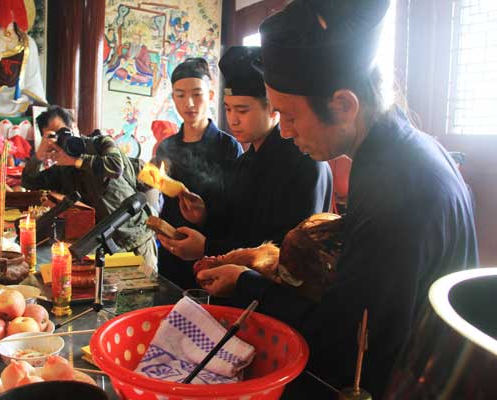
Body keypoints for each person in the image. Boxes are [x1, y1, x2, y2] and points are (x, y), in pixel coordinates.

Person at [196, 1, 478, 398]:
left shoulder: (395, 186)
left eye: (289, 116)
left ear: (343, 106)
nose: (286, 132)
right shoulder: (398, 151)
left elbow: (343, 337)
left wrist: (247, 284)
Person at [157, 46, 333, 264]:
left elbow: (291, 251)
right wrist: (203, 216)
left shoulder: (304, 162)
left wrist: (207, 248)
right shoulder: (243, 163)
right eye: (228, 109)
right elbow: (233, 228)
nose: (233, 120)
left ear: (272, 108)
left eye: (242, 110)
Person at [21, 106, 157, 271]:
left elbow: (115, 167)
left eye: (64, 131)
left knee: (146, 286)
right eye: (54, 137)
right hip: (102, 247)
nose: (62, 140)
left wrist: (77, 161)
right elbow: (29, 182)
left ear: (74, 127)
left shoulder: (100, 143)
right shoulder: (63, 170)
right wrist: (39, 156)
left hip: (136, 239)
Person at [154, 57, 243, 289]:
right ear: (173, 98)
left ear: (211, 95)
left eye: (197, 94)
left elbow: (238, 211)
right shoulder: (166, 147)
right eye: (180, 95)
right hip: (170, 252)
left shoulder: (228, 147)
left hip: (209, 255)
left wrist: (204, 215)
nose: (189, 103)